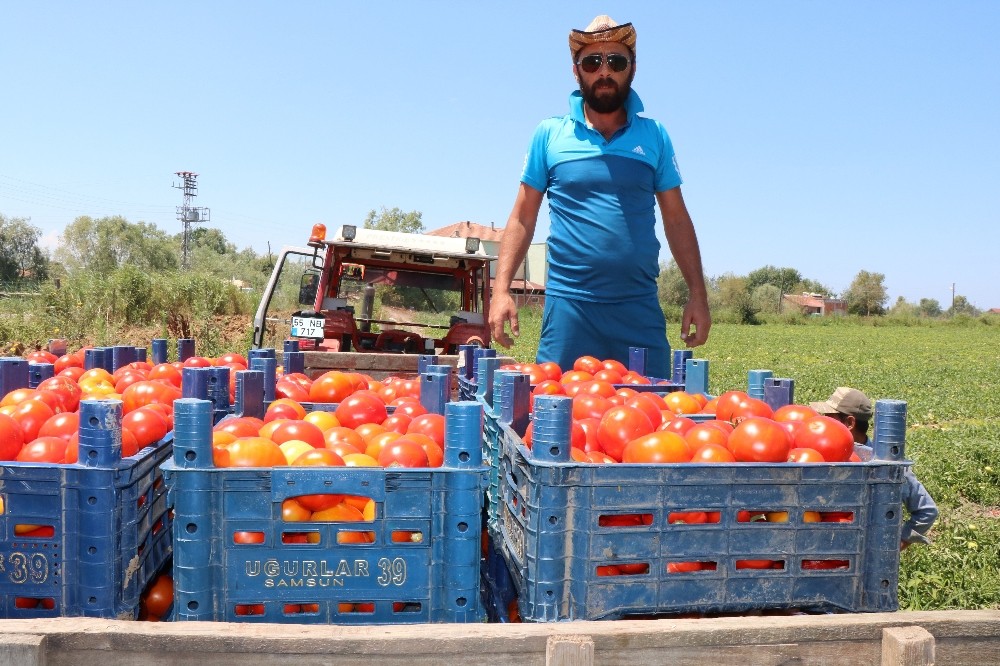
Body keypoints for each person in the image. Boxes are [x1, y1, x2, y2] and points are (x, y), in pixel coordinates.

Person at [488, 15, 711, 379]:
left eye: (616, 61)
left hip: (638, 307)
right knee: (557, 417)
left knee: (652, 416)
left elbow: (677, 219)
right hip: (569, 309)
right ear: (577, 72)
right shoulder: (549, 135)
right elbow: (522, 218)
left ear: (632, 68)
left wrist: (698, 296)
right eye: (592, 61)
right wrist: (500, 292)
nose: (604, 71)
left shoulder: (654, 135)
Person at [810, 387, 939, 549]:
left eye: (830, 418)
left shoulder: (887, 464)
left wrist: (896, 545)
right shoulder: (817, 452)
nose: (823, 423)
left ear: (849, 423)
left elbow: (927, 510)